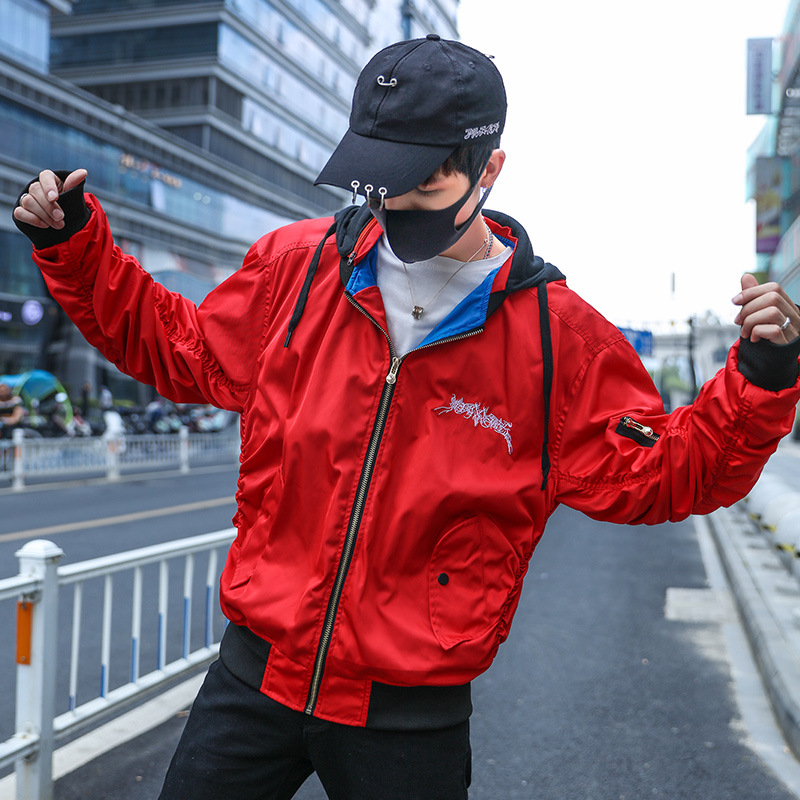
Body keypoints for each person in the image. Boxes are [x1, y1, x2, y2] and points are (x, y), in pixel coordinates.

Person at [12, 35, 800, 800]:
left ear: (489, 169)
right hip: (252, 680)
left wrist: (762, 376)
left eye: (421, 185)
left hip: (408, 721)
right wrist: (74, 245)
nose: (393, 205)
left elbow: (665, 474)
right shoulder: (296, 266)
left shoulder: (560, 341)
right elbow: (180, 346)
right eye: (378, 181)